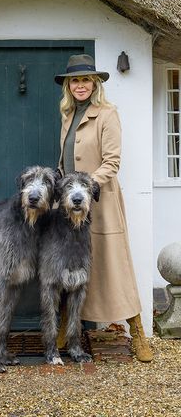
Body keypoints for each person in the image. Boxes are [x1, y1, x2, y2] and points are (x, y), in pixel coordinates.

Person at [54, 54, 153, 362]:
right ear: (68, 86)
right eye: (74, 81)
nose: (79, 85)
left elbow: (112, 162)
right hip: (71, 207)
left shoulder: (107, 114)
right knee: (72, 267)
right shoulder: (68, 115)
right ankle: (65, 329)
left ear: (94, 84)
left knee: (114, 266)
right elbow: (64, 162)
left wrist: (86, 185)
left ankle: (137, 333)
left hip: (100, 201)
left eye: (85, 80)